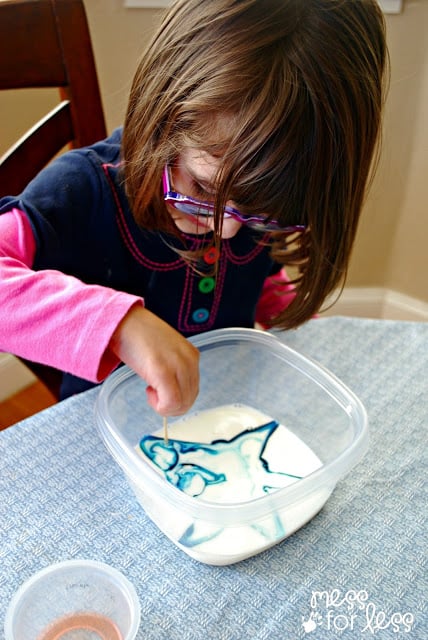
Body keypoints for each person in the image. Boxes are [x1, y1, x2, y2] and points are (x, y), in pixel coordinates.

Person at [0, 0, 387, 416]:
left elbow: (257, 271)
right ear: (163, 116)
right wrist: (118, 328)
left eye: (264, 212)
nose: (227, 232)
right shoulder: (83, 189)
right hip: (104, 435)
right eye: (201, 187)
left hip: (225, 415)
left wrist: (291, 327)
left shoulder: (256, 197)